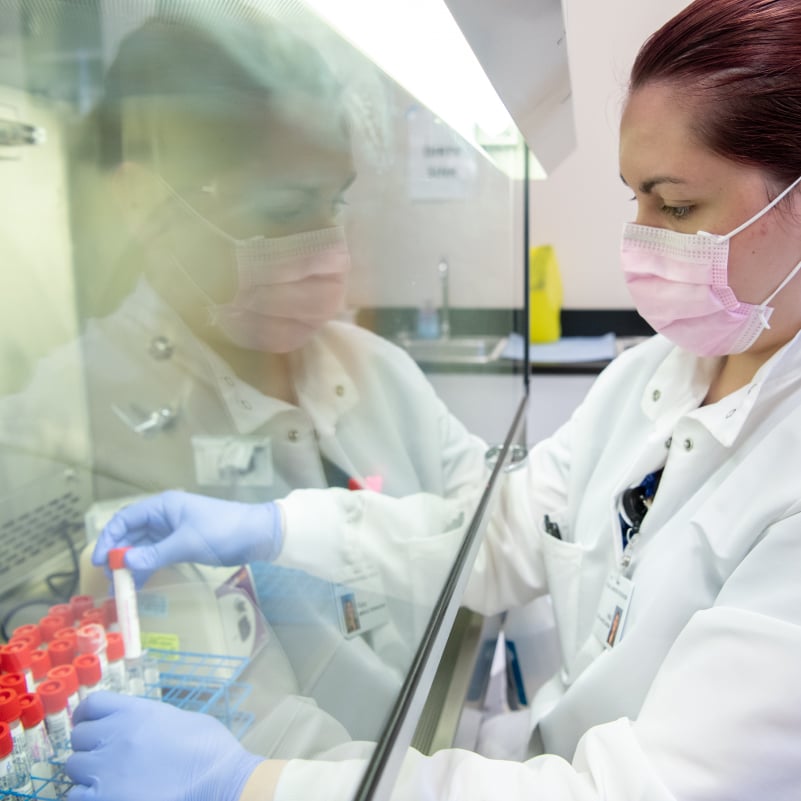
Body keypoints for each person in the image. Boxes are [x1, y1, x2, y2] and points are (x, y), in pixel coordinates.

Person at [65, 0, 801, 799]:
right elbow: (498, 536)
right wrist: (278, 527)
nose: (640, 239)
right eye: (635, 201)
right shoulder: (651, 377)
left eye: (676, 206)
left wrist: (252, 782)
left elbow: (639, 790)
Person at [0, 5, 488, 748]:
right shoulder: (68, 423)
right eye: (284, 207)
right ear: (141, 202)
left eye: (333, 202)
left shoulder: (375, 370)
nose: (327, 244)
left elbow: (493, 533)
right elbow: (255, 741)